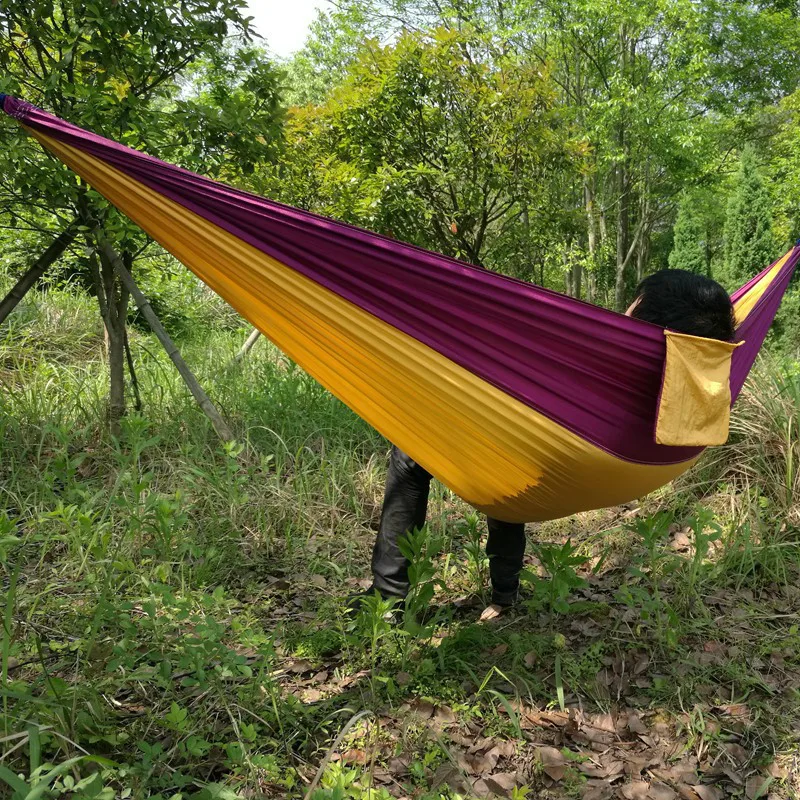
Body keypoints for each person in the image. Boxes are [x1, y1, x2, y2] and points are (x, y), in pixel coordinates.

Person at [357, 270, 736, 620]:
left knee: (412, 453)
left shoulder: (616, 358)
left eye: (634, 303)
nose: (624, 309)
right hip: (616, 461)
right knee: (507, 450)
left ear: (645, 318)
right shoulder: (706, 376)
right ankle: (504, 594)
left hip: (554, 454)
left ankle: (388, 597)